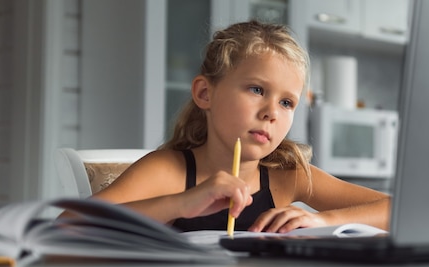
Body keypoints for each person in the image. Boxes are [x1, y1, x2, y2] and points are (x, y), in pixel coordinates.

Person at [92, 20, 390, 233]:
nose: (271, 112)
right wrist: (181, 203)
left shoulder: (288, 177)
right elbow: (70, 226)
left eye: (287, 103)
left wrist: (323, 220)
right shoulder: (171, 171)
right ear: (205, 94)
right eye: (257, 90)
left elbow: (399, 212)